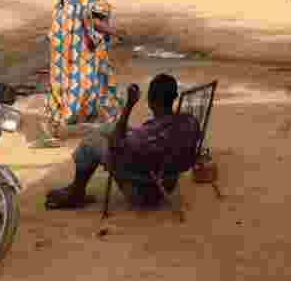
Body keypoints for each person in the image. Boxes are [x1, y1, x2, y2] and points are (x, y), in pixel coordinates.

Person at [44, 74, 201, 210]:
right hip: (167, 178)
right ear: (174, 97)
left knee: (90, 143)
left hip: (143, 189)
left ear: (150, 101)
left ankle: (76, 193)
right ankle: (75, 188)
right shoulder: (188, 122)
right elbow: (138, 139)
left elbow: (116, 144)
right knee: (109, 128)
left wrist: (129, 105)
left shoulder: (148, 134)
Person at [33, 0, 122, 148]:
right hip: (79, 43)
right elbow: (96, 22)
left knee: (66, 78)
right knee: (89, 79)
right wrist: (116, 32)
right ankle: (67, 122)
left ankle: (60, 119)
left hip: (65, 41)